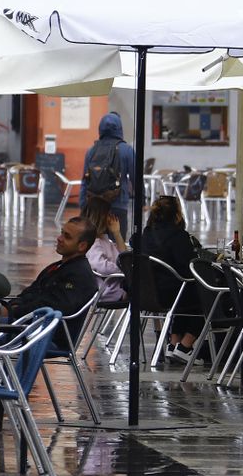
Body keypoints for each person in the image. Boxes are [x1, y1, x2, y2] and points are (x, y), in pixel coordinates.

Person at [9, 217, 99, 347]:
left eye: (67, 236)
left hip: (43, 336)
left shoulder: (79, 276)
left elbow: (52, 308)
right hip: (28, 325)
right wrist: (12, 306)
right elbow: (31, 292)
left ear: (82, 246)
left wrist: (13, 311)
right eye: (62, 233)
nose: (59, 238)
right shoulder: (58, 267)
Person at [137, 195, 205, 363]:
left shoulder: (145, 234)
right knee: (205, 296)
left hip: (145, 295)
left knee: (186, 291)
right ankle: (185, 345)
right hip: (170, 295)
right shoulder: (178, 236)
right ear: (177, 215)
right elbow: (189, 267)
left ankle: (173, 344)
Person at [79, 112, 139, 233]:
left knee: (94, 246)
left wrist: (82, 205)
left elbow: (85, 180)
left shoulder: (91, 150)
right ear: (119, 128)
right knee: (117, 244)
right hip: (118, 205)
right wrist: (141, 200)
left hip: (94, 206)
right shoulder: (126, 150)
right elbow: (136, 178)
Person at [79, 196, 128, 306]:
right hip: (109, 291)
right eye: (108, 214)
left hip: (117, 286)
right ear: (101, 217)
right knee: (145, 289)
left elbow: (123, 256)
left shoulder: (105, 240)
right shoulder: (93, 243)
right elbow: (100, 266)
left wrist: (117, 233)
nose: (111, 217)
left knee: (146, 288)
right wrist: (124, 269)